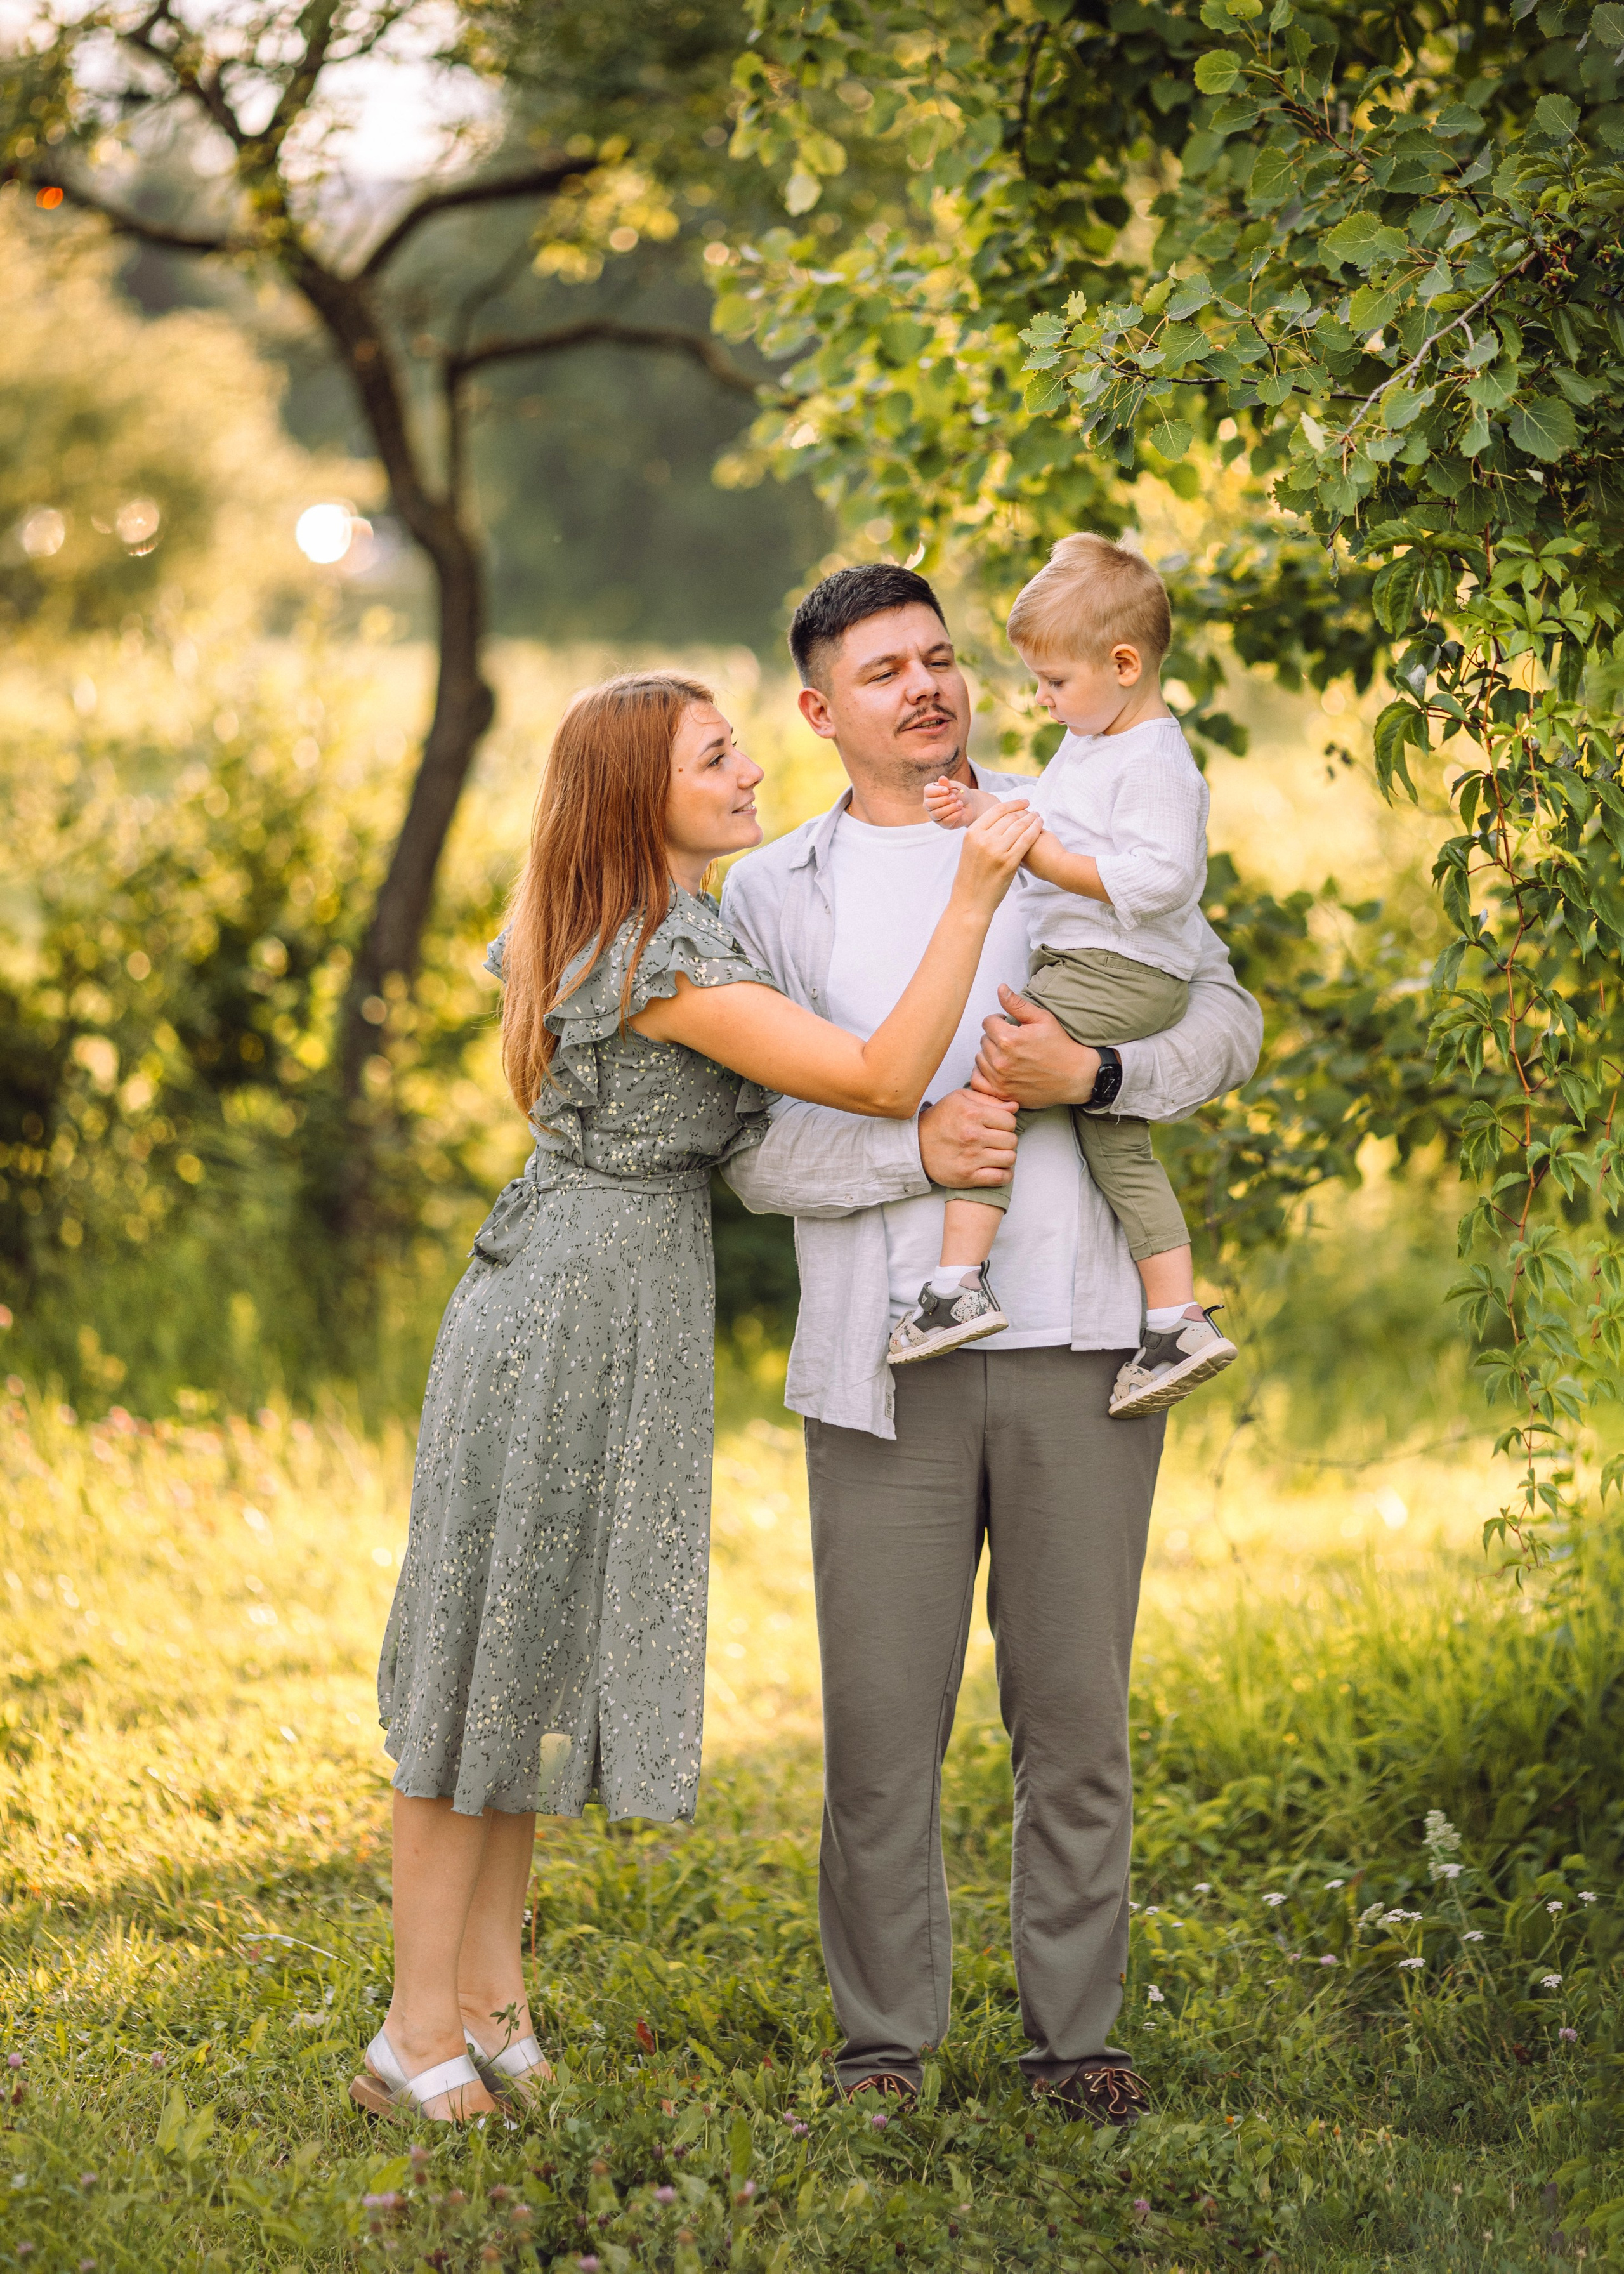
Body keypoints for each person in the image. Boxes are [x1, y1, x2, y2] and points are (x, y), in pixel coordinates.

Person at [353, 669, 1040, 2124]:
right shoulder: (656, 954)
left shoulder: (673, 923)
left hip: (610, 1298)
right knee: (484, 1661)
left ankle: (490, 2007)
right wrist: (974, 892)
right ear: (637, 796)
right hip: (565, 1312)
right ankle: (411, 2029)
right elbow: (878, 1075)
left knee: (530, 1654)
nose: (748, 773)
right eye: (715, 757)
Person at [719, 565, 1261, 2123]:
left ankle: (1073, 2042)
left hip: (1083, 1336)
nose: (926, 687)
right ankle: (881, 2050)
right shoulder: (771, 895)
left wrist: (1100, 1077)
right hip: (877, 1357)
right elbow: (751, 1154)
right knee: (879, 1730)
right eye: (881, 672)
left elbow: (1223, 1018)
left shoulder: (1065, 818)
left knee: (1074, 1718)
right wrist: (916, 1152)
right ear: (819, 712)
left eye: (937, 657)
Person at [902, 533, 1238, 1420]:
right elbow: (1048, 818)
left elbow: (1165, 879)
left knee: (995, 1082)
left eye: (1054, 681)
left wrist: (1045, 860)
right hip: (1101, 965)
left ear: (1124, 665)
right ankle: (1174, 1321)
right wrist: (983, 809)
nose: (1041, 699)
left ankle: (956, 1285)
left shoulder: (1156, 760)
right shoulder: (1096, 742)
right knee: (1115, 1138)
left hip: (1117, 966)